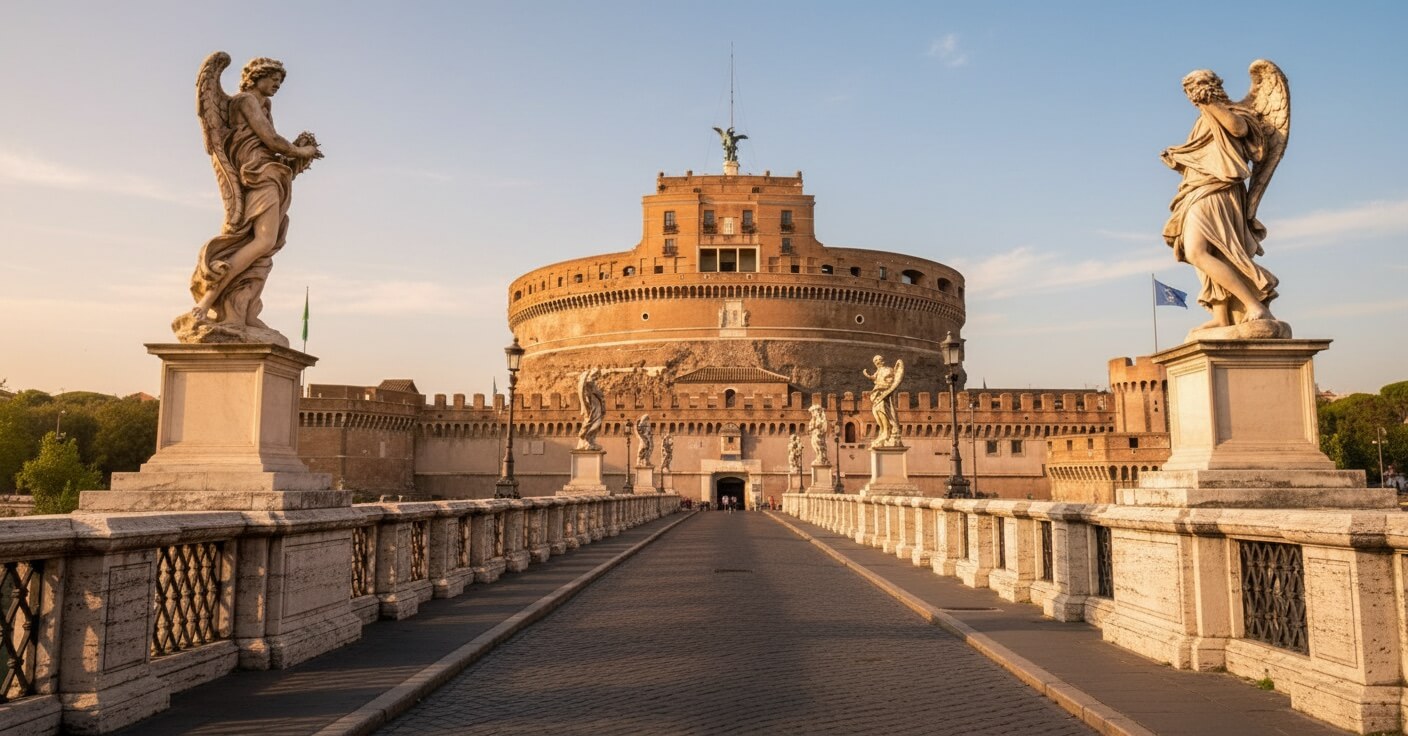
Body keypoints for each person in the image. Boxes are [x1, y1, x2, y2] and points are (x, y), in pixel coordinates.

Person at [188, 55, 321, 338]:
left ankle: (242, 311)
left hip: (269, 172)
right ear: (256, 77)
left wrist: (294, 157)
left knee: (265, 245)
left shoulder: (264, 104)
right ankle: (206, 303)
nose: (276, 86)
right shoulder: (245, 101)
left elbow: (270, 144)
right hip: (257, 173)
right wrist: (301, 151)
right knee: (263, 241)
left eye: (279, 83)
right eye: (273, 80)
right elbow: (271, 140)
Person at [1161, 68, 1279, 331]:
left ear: (1214, 85)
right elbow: (1205, 154)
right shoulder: (1202, 120)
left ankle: (1255, 304)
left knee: (1199, 250)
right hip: (1197, 188)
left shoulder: (1237, 111)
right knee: (1209, 252)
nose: (1194, 92)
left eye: (1198, 84)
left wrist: (1211, 105)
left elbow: (1238, 130)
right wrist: (1179, 157)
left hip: (1220, 189)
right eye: (1189, 89)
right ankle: (1222, 315)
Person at [862, 355, 904, 448]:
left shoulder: (888, 370)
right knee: (876, 411)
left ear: (883, 361)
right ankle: (883, 431)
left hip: (884, 395)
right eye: (875, 361)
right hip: (878, 394)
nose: (877, 362)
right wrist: (868, 376)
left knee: (882, 410)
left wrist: (881, 388)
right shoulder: (878, 371)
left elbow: (890, 382)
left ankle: (886, 432)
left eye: (879, 359)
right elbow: (875, 378)